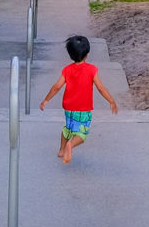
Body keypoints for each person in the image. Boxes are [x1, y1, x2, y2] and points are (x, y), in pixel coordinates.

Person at [38, 34, 117, 164]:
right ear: (87, 54)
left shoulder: (67, 70)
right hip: (83, 109)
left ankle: (61, 150)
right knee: (82, 132)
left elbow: (57, 86)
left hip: (69, 108)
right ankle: (70, 145)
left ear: (70, 54)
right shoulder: (91, 70)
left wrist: (46, 100)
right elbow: (101, 88)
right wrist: (111, 101)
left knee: (68, 128)